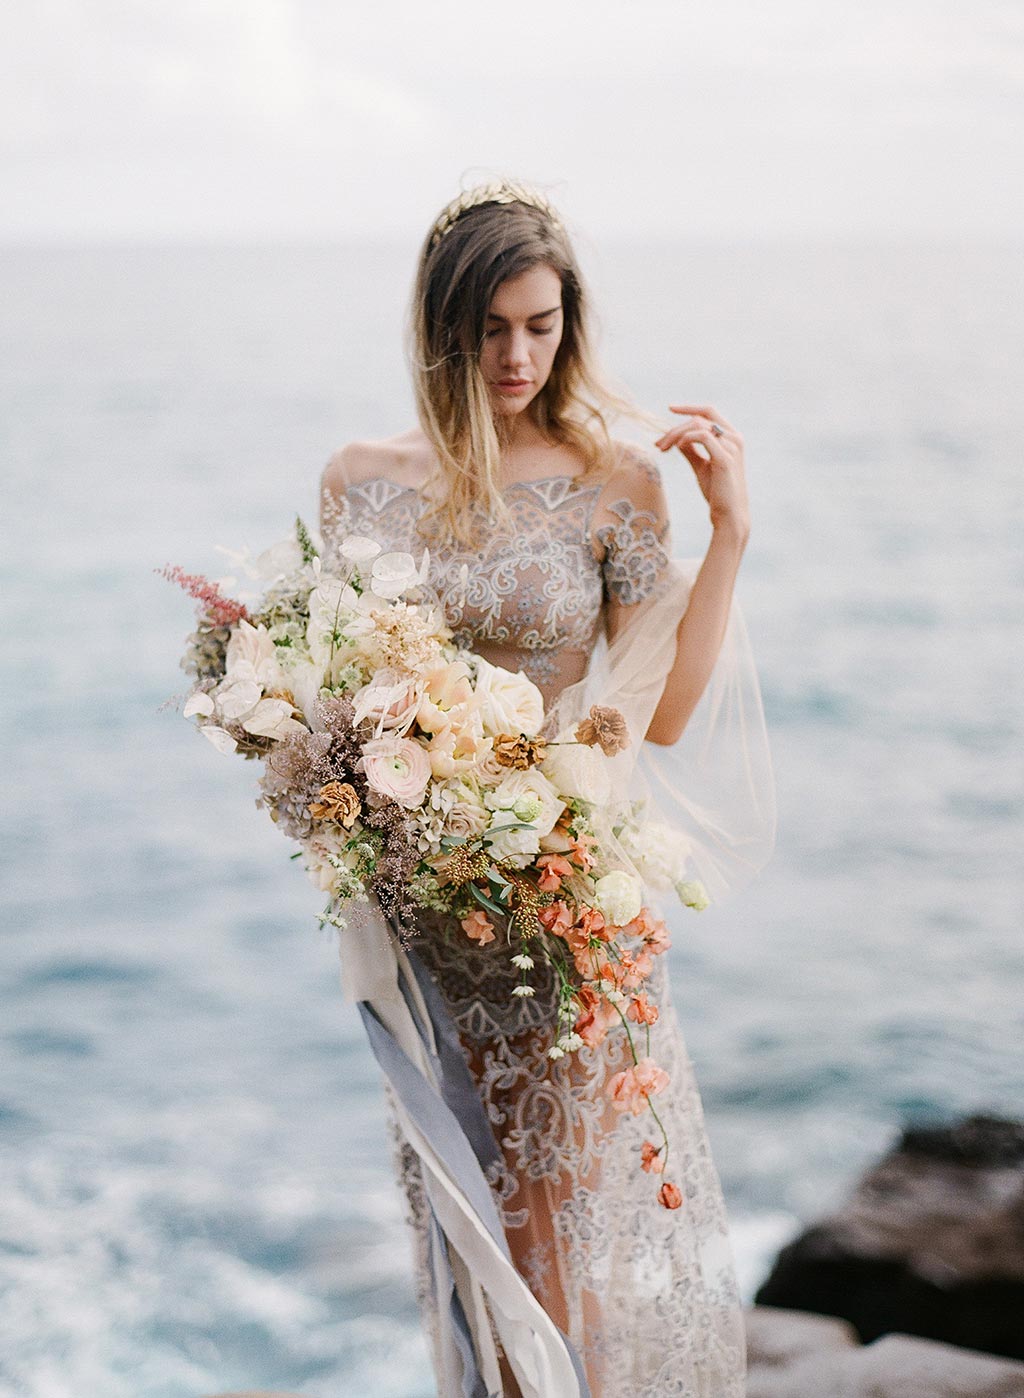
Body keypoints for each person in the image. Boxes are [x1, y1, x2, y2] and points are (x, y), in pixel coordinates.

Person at [319, 179, 773, 1398]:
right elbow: (341, 698)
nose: (519, 353)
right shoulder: (358, 479)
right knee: (455, 1213)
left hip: (564, 900)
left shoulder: (611, 478)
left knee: (551, 1226)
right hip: (422, 908)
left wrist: (725, 537)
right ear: (444, 324)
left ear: (569, 323)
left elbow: (665, 717)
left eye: (543, 323)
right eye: (494, 326)